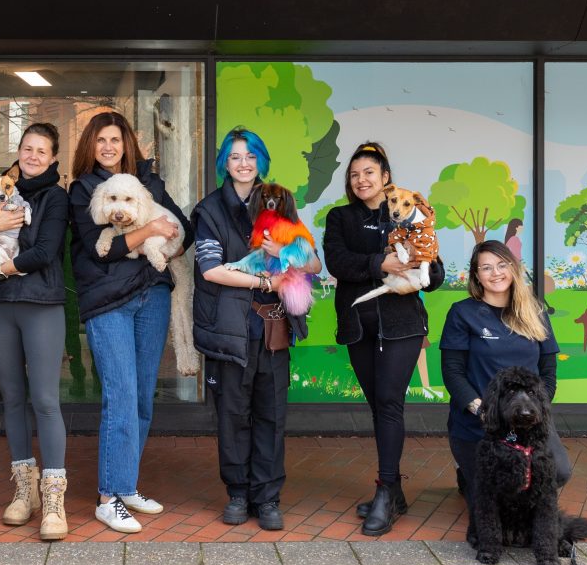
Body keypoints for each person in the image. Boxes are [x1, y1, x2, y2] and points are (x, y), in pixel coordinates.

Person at [68, 110, 194, 534]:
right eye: (101, 140)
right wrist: (147, 231)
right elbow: (97, 247)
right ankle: (108, 497)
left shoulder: (149, 182)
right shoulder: (83, 189)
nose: (108, 147)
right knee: (119, 397)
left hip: (152, 296)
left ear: (127, 144)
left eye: (115, 140)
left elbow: (183, 228)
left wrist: (170, 244)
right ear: (91, 145)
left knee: (142, 397)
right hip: (108, 302)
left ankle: (126, 485)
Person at [192, 128, 320, 531]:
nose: (243, 164)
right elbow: (211, 270)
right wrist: (266, 282)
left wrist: (284, 254)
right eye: (234, 157)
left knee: (271, 415)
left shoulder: (279, 201)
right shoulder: (209, 210)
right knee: (232, 415)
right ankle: (237, 493)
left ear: (260, 161)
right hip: (230, 329)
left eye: (250, 157)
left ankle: (267, 497)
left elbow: (313, 262)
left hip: (274, 328)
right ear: (224, 164)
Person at [323, 141, 444, 536]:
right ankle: (392, 490)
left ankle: (386, 490)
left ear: (386, 178)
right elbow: (337, 262)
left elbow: (437, 274)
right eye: (354, 174)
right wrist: (382, 263)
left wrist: (422, 271)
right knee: (378, 405)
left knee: (390, 403)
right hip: (358, 323)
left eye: (369, 173)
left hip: (403, 325)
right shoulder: (339, 218)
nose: (361, 180)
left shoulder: (412, 214)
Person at [0, 123, 70, 539]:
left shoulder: (55, 197)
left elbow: (46, 251)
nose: (33, 155)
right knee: (12, 397)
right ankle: (24, 490)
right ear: (19, 152)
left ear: (52, 158)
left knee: (45, 400)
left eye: (41, 150)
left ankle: (53, 496)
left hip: (40, 303)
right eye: (27, 148)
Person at [439, 240, 570, 540]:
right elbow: (453, 372)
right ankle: (465, 474)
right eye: (486, 268)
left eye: (501, 265)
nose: (495, 273)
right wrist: (479, 408)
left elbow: (548, 372)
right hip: (481, 424)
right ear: (476, 276)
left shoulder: (534, 311)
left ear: (513, 269)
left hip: (528, 423)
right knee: (488, 497)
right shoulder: (462, 313)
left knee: (559, 472)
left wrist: (535, 410)